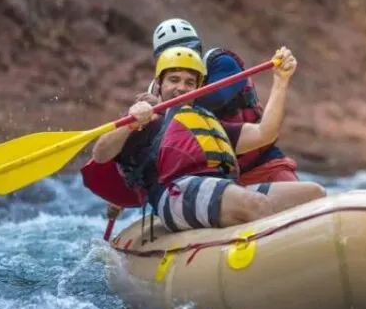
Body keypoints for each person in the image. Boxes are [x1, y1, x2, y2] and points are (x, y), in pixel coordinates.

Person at [91, 46, 325, 232]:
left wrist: (281, 81)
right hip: (173, 193)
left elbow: (265, 133)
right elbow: (100, 154)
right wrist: (129, 123)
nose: (181, 88)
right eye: (174, 80)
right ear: (159, 85)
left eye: (189, 82)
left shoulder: (207, 122)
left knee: (314, 194)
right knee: (256, 205)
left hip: (220, 187)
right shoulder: (146, 121)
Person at [151, 18, 300, 186]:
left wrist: (163, 106)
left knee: (310, 193)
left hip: (261, 163)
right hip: (214, 179)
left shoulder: (223, 63)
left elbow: (217, 98)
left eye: (190, 51)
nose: (184, 60)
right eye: (171, 56)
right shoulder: (157, 92)